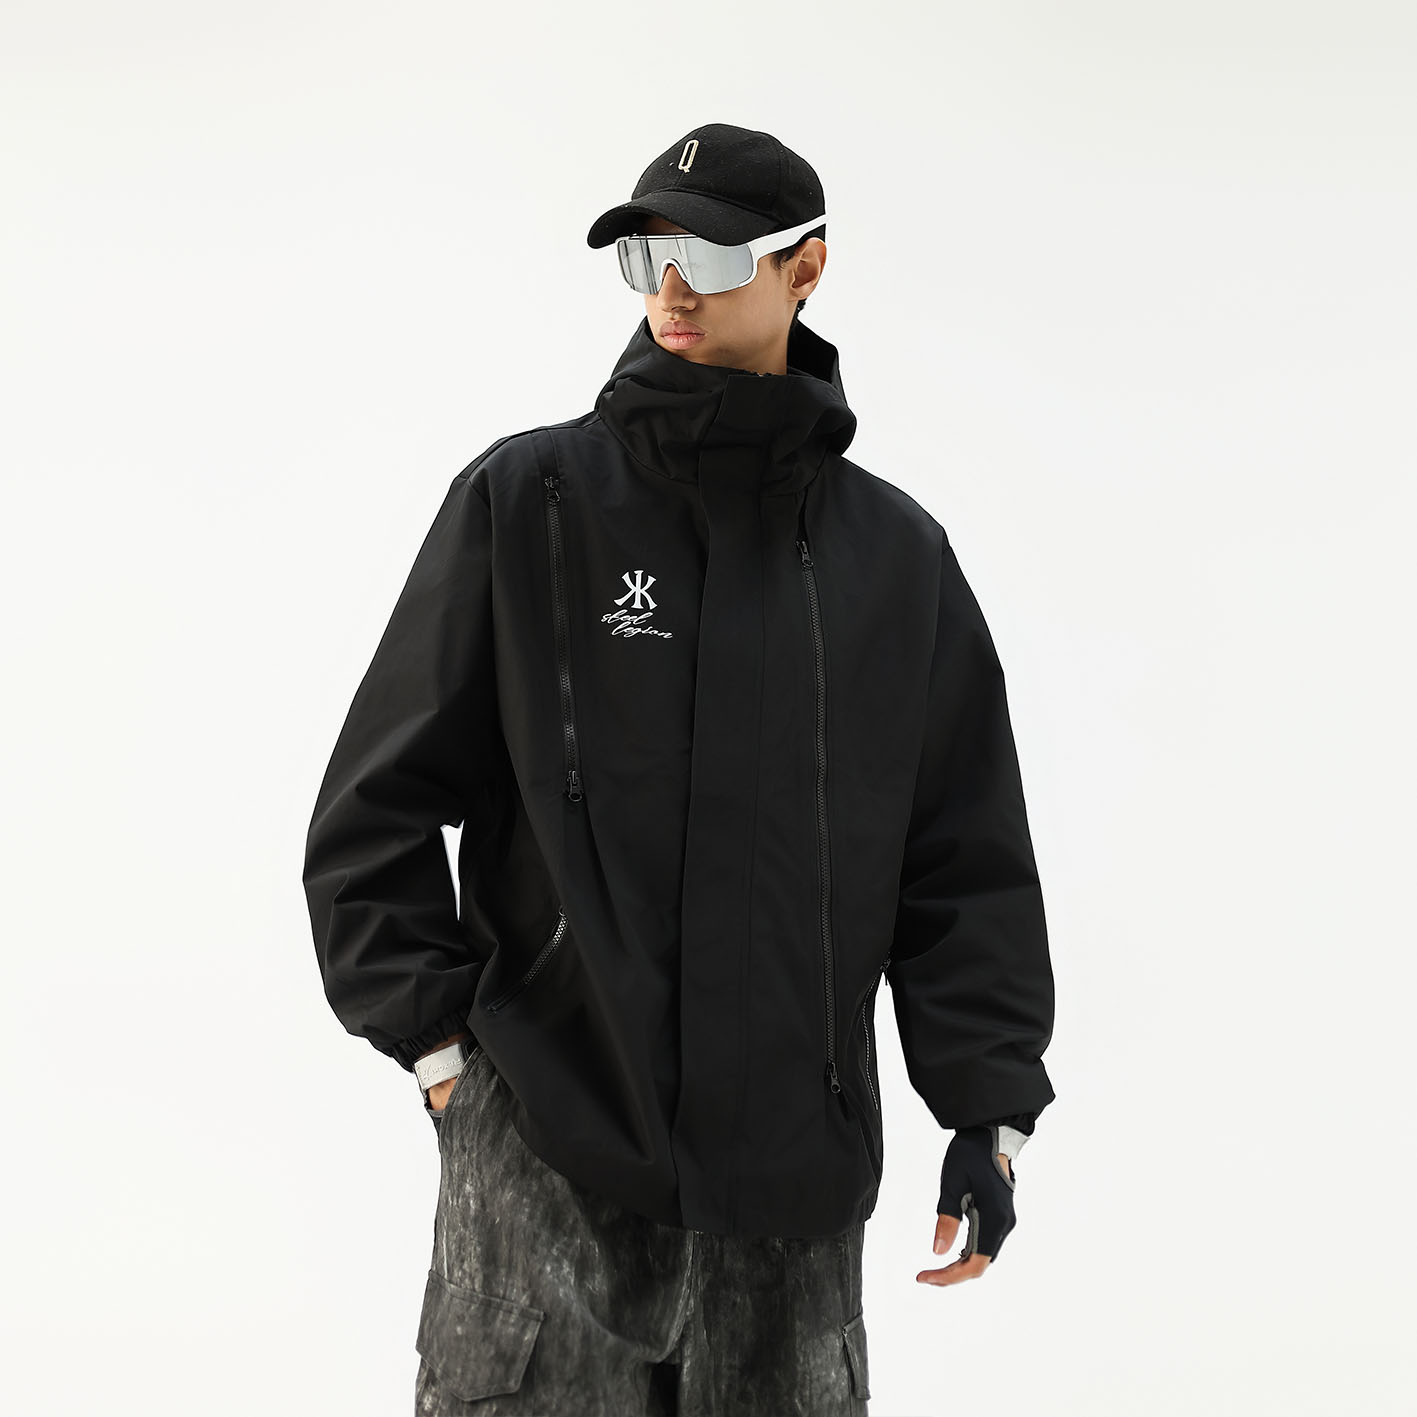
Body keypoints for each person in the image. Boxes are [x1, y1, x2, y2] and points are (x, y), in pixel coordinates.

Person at [302, 121, 1057, 1416]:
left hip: (791, 1225)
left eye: (709, 257)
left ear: (805, 268)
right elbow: (371, 812)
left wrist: (987, 1116)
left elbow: (962, 861)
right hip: (545, 1181)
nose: (669, 287)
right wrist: (441, 1056)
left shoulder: (895, 563)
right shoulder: (530, 504)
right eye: (645, 254)